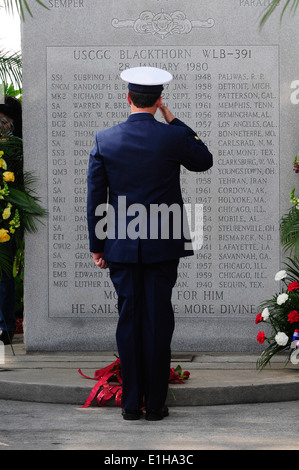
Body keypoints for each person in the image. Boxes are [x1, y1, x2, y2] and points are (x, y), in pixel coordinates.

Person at [87, 67, 213, 421]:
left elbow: (96, 196)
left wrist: (98, 245)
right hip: (163, 242)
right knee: (158, 319)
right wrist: (173, 120)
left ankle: (130, 404)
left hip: (121, 245)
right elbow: (204, 160)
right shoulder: (171, 137)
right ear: (158, 101)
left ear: (128, 98)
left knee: (128, 318)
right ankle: (155, 403)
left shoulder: (105, 139)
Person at [0, 96, 22, 345]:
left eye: (4, 121)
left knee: (4, 274)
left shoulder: (18, 147)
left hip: (7, 217)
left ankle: (5, 325)